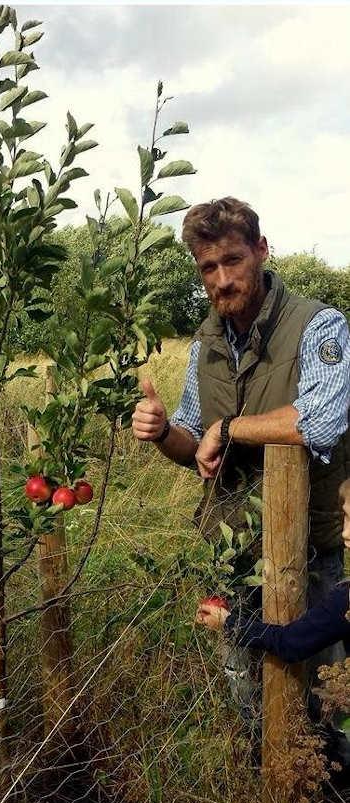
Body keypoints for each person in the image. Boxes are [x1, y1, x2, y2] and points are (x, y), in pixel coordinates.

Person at [131, 197, 349, 726]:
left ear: (261, 250)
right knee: (248, 695)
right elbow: (192, 445)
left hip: (311, 551)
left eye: (234, 260)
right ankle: (261, 781)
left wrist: (226, 428)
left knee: (327, 700)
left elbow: (318, 421)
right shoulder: (203, 347)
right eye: (209, 267)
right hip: (234, 552)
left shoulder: (319, 326)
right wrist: (163, 433)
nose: (223, 279)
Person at [196, 478, 350, 803]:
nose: (345, 533)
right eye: (345, 518)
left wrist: (229, 622)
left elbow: (291, 642)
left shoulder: (346, 599)